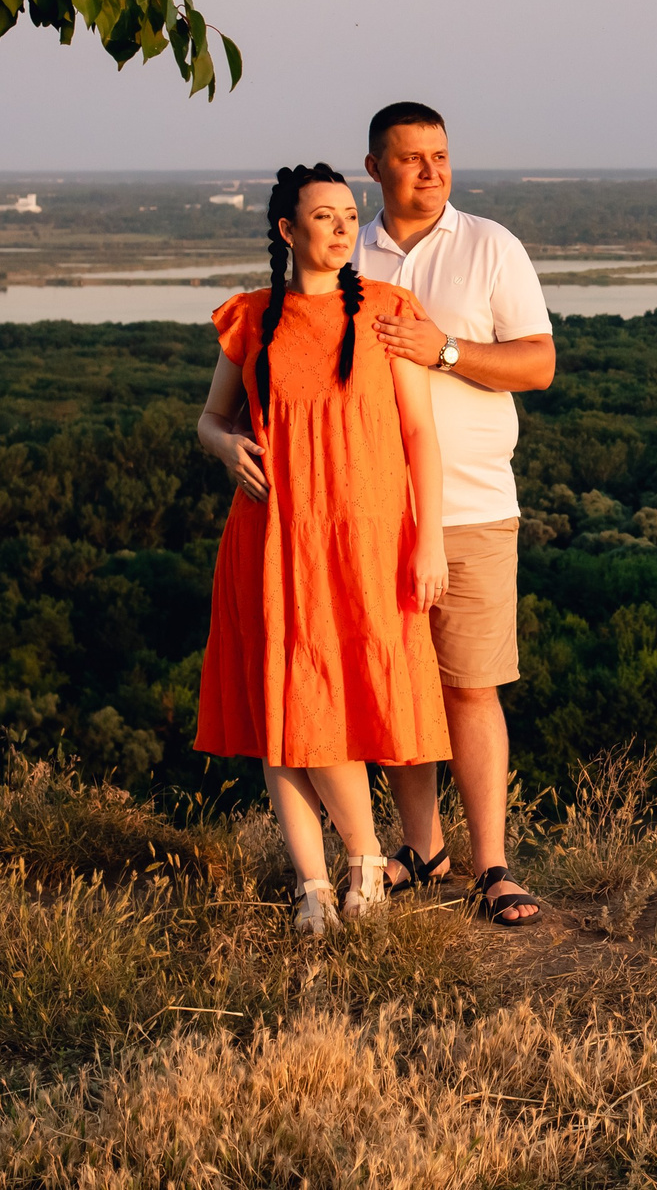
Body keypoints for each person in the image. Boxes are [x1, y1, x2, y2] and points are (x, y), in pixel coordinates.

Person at [194, 162, 453, 936]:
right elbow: (211, 417)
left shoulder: (385, 310)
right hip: (272, 538)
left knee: (331, 709)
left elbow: (419, 435)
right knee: (284, 710)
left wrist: (428, 538)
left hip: (366, 540)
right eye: (325, 217)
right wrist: (224, 446)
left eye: (349, 215)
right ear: (287, 230)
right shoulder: (253, 318)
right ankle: (314, 883)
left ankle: (367, 859)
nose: (343, 228)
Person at [354, 103, 557, 925]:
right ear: (374, 168)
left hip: (473, 505)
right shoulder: (347, 250)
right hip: (371, 511)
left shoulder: (490, 245)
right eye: (410, 159)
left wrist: (441, 349)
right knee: (399, 689)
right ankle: (422, 848)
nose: (431, 171)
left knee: (471, 688)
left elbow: (538, 364)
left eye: (440, 155)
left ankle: (493, 865)